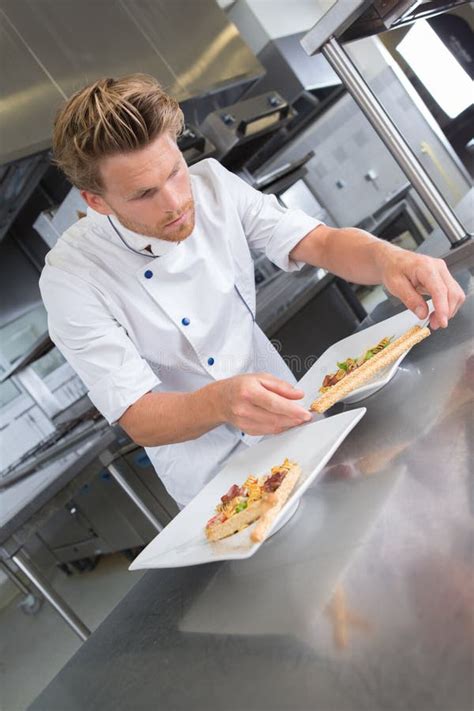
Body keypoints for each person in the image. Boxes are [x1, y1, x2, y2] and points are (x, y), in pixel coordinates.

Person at [40, 74, 465, 507]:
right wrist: (220, 402)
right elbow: (138, 416)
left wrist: (387, 258)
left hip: (295, 424)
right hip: (218, 484)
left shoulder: (213, 186)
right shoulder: (71, 279)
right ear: (96, 201)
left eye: (174, 172)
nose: (173, 202)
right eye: (144, 194)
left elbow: (317, 242)